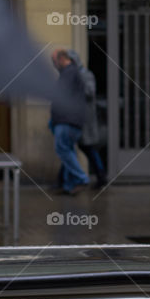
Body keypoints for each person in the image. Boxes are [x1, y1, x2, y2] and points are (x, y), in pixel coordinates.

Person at [49, 49, 88, 195]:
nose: (53, 65)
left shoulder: (69, 73)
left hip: (67, 120)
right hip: (71, 120)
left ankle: (80, 178)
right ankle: (68, 185)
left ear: (61, 59)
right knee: (68, 150)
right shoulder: (71, 73)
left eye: (54, 61)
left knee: (63, 149)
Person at [66, 50, 106, 189]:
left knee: (87, 148)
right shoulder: (76, 75)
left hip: (85, 118)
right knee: (69, 148)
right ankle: (65, 180)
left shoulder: (85, 75)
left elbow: (90, 92)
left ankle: (101, 175)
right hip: (77, 117)